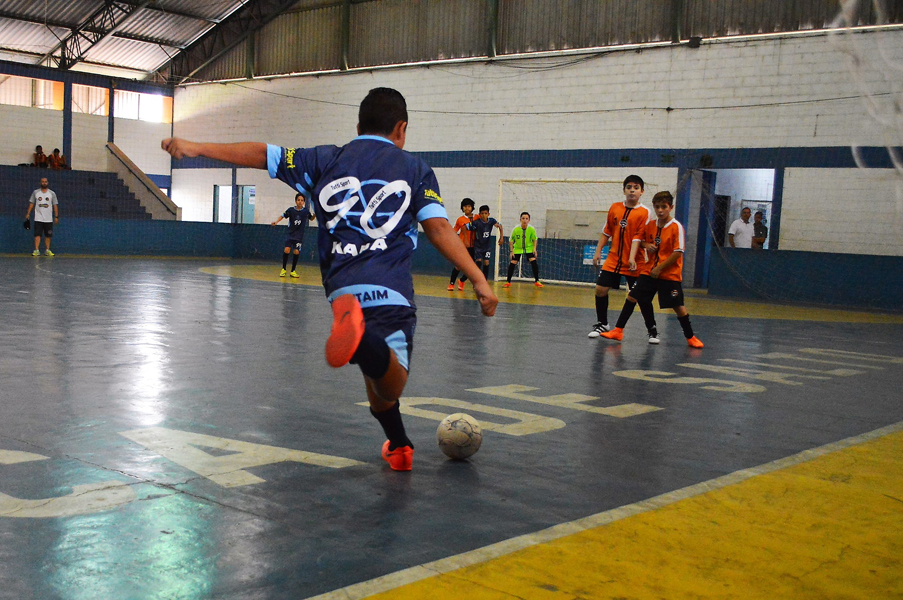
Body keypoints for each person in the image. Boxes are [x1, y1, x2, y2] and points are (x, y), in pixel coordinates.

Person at [161, 87, 498, 472]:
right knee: (392, 383)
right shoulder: (414, 168)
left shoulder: (326, 158)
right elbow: (438, 227)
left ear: (358, 126)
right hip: (388, 289)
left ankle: (400, 446)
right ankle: (361, 341)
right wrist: (478, 279)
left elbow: (261, 154)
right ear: (401, 128)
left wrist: (196, 147)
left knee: (376, 390)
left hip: (341, 287)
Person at [600, 191, 704, 348]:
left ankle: (690, 337)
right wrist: (645, 245)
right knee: (632, 297)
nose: (660, 210)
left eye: (664, 207)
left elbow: (678, 252)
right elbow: (639, 239)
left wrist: (660, 268)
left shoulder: (676, 227)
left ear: (671, 207)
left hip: (669, 275)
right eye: (657, 207)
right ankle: (618, 330)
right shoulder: (650, 225)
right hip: (649, 272)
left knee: (678, 307)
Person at [587, 175, 655, 338]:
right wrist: (598, 251)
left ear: (642, 191)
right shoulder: (615, 208)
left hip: (634, 261)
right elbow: (606, 232)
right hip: (613, 259)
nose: (632, 190)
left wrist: (642, 250)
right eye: (629, 187)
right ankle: (603, 323)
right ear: (624, 190)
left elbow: (641, 238)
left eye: (636, 187)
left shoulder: (645, 212)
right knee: (600, 289)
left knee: (640, 296)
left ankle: (652, 329)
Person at [271, 192, 315, 278]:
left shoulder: (306, 211)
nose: (300, 202)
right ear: (295, 201)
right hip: (290, 234)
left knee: (296, 251)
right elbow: (283, 216)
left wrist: (315, 214)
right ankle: (283, 269)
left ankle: (293, 271)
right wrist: (276, 222)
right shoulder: (291, 210)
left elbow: (311, 218)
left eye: (302, 200)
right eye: (298, 200)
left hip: (299, 236)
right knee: (287, 249)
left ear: (304, 202)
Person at [504, 211, 542, 287]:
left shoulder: (531, 229)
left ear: (529, 220)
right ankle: (508, 281)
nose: (525, 220)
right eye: (523, 218)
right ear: (520, 219)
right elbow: (511, 240)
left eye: (526, 218)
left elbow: (535, 239)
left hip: (528, 248)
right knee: (513, 262)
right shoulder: (516, 229)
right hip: (518, 248)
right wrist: (511, 251)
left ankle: (537, 281)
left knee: (533, 261)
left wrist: (534, 249)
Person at [448, 198, 478, 291]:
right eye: (465, 206)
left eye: (469, 206)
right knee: (459, 265)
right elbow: (454, 231)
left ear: (472, 207)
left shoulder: (477, 217)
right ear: (462, 208)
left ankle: (462, 280)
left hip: (474, 246)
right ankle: (451, 283)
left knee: (473, 267)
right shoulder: (460, 220)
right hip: (463, 246)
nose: (467, 208)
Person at [467, 204, 504, 282]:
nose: (484, 215)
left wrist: (501, 237)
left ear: (488, 214)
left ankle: (484, 280)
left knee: (486, 262)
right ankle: (476, 279)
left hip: (487, 246)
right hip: (478, 246)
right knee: (479, 262)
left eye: (486, 213)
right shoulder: (476, 222)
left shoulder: (491, 221)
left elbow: (500, 226)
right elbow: (468, 227)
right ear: (479, 214)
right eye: (482, 213)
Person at [25, 177, 59, 256]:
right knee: (37, 234)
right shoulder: (36, 192)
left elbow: (55, 205)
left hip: (48, 219)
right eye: (42, 182)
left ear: (47, 183)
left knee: (48, 235)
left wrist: (56, 216)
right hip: (38, 218)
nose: (44, 183)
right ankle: (36, 250)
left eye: (45, 182)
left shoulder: (52, 193)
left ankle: (47, 250)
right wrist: (28, 213)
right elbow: (31, 203)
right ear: (40, 183)